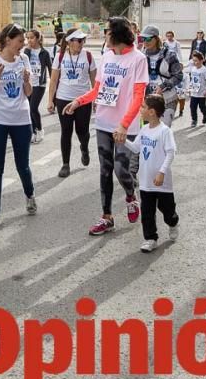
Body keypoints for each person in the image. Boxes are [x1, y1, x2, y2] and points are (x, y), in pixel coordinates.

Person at [64, 16, 148, 236]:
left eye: (107, 31)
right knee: (105, 170)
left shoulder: (138, 59)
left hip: (124, 126)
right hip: (103, 122)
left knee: (121, 170)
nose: (104, 35)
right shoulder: (107, 57)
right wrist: (78, 101)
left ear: (117, 33)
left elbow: (139, 97)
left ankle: (131, 196)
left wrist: (124, 124)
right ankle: (107, 216)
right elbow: (98, 89)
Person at [0, 23, 37, 232]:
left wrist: (26, 81)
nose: (23, 45)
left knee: (23, 165)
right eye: (20, 41)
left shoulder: (24, 59)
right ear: (7, 40)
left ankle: (30, 195)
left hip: (21, 119)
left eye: (24, 41)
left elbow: (29, 93)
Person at [128, 95, 178, 253]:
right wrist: (122, 141)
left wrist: (161, 172)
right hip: (146, 182)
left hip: (162, 182)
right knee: (147, 212)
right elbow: (136, 148)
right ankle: (150, 238)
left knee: (167, 210)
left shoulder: (165, 131)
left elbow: (171, 153)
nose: (140, 109)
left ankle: (173, 223)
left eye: (143, 107)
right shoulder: (144, 130)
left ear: (151, 112)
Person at [46, 28, 97, 178]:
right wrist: (50, 100)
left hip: (83, 100)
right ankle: (65, 164)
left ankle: (84, 147)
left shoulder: (88, 56)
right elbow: (54, 80)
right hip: (63, 98)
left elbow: (95, 80)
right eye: (79, 40)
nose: (82, 43)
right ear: (69, 42)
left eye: (83, 40)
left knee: (82, 131)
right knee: (66, 132)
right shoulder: (60, 56)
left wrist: (96, 100)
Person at [140, 25, 183, 126]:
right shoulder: (141, 56)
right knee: (148, 133)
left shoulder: (169, 55)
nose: (145, 41)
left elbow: (178, 76)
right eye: (143, 38)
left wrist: (163, 86)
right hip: (148, 100)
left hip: (167, 99)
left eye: (148, 38)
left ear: (156, 38)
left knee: (163, 131)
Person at [24, 29, 53, 144]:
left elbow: (51, 69)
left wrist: (53, 86)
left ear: (38, 39)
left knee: (33, 108)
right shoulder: (26, 52)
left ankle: (40, 130)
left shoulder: (45, 53)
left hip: (39, 84)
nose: (29, 40)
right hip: (28, 83)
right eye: (28, 38)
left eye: (31, 38)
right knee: (28, 109)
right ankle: (32, 132)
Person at [186, 51, 206, 127]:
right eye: (194, 61)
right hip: (194, 91)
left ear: (201, 60)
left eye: (196, 61)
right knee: (192, 107)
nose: (195, 62)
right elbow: (192, 80)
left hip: (201, 92)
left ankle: (205, 114)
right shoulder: (193, 69)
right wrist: (189, 89)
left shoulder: (204, 70)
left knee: (202, 106)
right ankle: (194, 120)